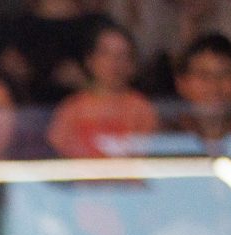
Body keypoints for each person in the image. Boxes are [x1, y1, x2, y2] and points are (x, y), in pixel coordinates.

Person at [47, 21, 159, 156]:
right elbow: (59, 148)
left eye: (122, 55)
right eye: (105, 53)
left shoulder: (142, 108)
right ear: (90, 60)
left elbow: (146, 151)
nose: (114, 62)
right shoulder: (72, 108)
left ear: (132, 64)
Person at [162, 33, 231, 147]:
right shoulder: (164, 137)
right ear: (181, 83)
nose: (214, 85)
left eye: (225, 74)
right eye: (203, 75)